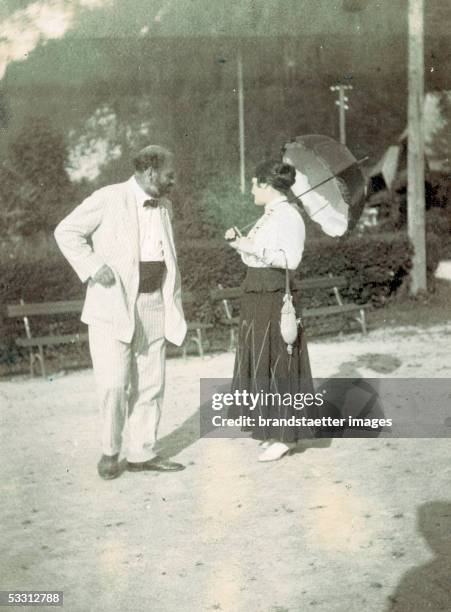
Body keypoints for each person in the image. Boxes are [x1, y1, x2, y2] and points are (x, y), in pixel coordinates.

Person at [54, 145, 187, 480]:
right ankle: (110, 452)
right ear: (151, 171)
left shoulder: (165, 206)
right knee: (114, 384)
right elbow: (66, 231)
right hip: (112, 304)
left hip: (154, 302)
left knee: (151, 383)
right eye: (169, 175)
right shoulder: (108, 197)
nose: (174, 182)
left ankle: (143, 452)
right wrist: (92, 265)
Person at [225, 160, 315, 462]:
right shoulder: (269, 216)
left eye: (253, 183)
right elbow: (256, 258)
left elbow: (290, 259)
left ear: (267, 185)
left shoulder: (289, 216)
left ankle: (286, 436)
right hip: (256, 292)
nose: (250, 188)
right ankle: (272, 429)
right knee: (260, 359)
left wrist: (250, 247)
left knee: (280, 361)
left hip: (275, 294)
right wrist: (240, 244)